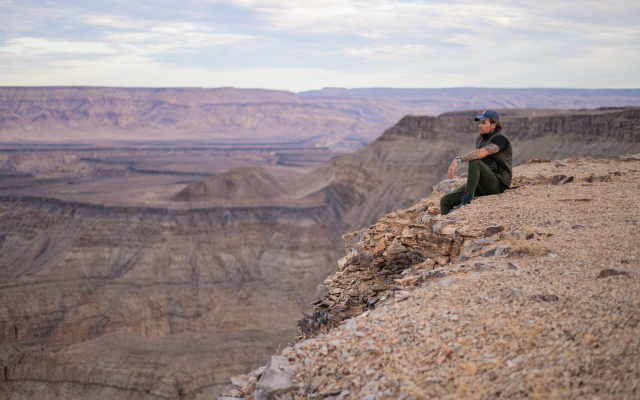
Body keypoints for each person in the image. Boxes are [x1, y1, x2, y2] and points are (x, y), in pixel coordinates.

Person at [440, 110, 513, 215]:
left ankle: (466, 200)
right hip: (483, 183)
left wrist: (458, 160)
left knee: (475, 162)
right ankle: (444, 226)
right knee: (445, 200)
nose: (479, 125)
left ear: (494, 125)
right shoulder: (481, 139)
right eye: (479, 122)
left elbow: (482, 153)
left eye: (483, 123)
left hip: (497, 184)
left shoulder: (500, 139)